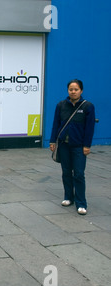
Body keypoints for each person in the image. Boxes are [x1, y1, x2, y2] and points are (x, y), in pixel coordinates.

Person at [49, 79, 96, 215]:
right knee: (66, 172)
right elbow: (56, 124)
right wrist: (53, 141)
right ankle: (68, 197)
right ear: (68, 90)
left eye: (76, 89)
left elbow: (90, 128)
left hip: (79, 146)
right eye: (71, 89)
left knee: (79, 174)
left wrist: (87, 145)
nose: (73, 91)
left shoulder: (87, 106)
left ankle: (81, 203)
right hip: (64, 145)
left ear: (81, 90)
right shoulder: (61, 105)